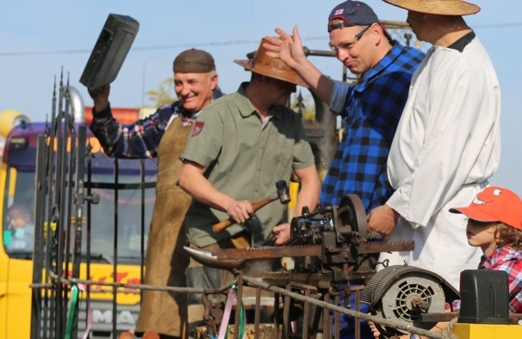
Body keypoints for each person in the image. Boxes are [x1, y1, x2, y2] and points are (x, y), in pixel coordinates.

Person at [89, 49, 221, 339]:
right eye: (178, 82)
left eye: (192, 82)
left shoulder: (229, 115)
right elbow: (121, 143)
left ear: (213, 81)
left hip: (215, 238)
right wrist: (102, 105)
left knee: (212, 327)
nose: (184, 89)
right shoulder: (169, 117)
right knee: (163, 329)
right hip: (168, 239)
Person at [368, 0, 500, 290]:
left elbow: (444, 156)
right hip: (418, 206)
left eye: (411, 9)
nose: (407, 18)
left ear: (428, 11)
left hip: (443, 211)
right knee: (387, 310)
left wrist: (395, 210)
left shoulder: (465, 65)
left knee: (430, 316)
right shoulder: (440, 56)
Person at [178, 38, 320, 291]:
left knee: (261, 328)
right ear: (262, 78)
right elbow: (188, 177)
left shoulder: (291, 122)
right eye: (286, 83)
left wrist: (297, 226)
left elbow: (310, 179)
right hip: (212, 244)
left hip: (264, 247)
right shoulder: (218, 115)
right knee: (208, 328)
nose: (292, 91)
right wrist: (228, 204)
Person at [264, 0, 424, 213]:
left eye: (348, 46)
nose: (341, 56)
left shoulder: (412, 72)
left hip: (384, 220)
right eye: (335, 48)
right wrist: (299, 64)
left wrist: (394, 210)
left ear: (376, 32)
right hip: (352, 218)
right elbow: (348, 101)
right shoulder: (374, 76)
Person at [372, 186, 522, 339]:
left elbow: (467, 312)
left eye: (480, 221)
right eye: (470, 220)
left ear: (504, 229)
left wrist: (412, 338)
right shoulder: (491, 262)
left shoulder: (511, 263)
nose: (471, 225)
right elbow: (459, 306)